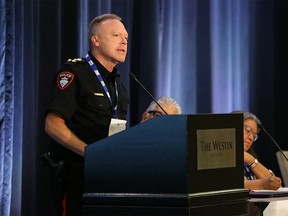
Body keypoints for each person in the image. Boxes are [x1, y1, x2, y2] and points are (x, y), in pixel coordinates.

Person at [44, 14, 129, 215]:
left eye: (126, 37)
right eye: (116, 35)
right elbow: (52, 124)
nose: (124, 41)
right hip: (77, 181)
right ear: (96, 40)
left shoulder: (119, 85)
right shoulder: (74, 73)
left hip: (109, 179)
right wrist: (91, 154)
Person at [237, 111, 282, 190]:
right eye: (247, 130)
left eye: (254, 136)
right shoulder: (219, 156)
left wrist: (251, 160)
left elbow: (273, 183)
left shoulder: (249, 160)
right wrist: (262, 184)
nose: (251, 137)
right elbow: (228, 186)